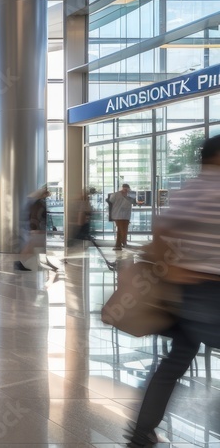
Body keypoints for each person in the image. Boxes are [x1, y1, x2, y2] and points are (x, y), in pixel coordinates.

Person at [126, 134, 220, 447]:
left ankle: (142, 431)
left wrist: (177, 268)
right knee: (176, 360)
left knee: (174, 362)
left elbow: (161, 229)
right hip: (213, 291)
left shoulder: (189, 190)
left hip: (187, 292)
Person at [15, 186, 50, 271]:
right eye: (47, 193)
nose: (48, 195)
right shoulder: (38, 203)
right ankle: (21, 263)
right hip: (37, 230)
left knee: (30, 247)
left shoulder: (34, 201)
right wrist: (35, 228)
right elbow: (36, 216)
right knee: (30, 247)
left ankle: (21, 263)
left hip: (36, 229)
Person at [107, 183, 137, 250]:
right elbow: (110, 201)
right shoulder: (116, 194)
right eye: (124, 188)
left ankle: (121, 244)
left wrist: (128, 196)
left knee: (123, 229)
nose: (125, 190)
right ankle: (121, 243)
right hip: (119, 215)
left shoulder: (130, 194)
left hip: (125, 215)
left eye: (127, 188)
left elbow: (134, 202)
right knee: (121, 229)